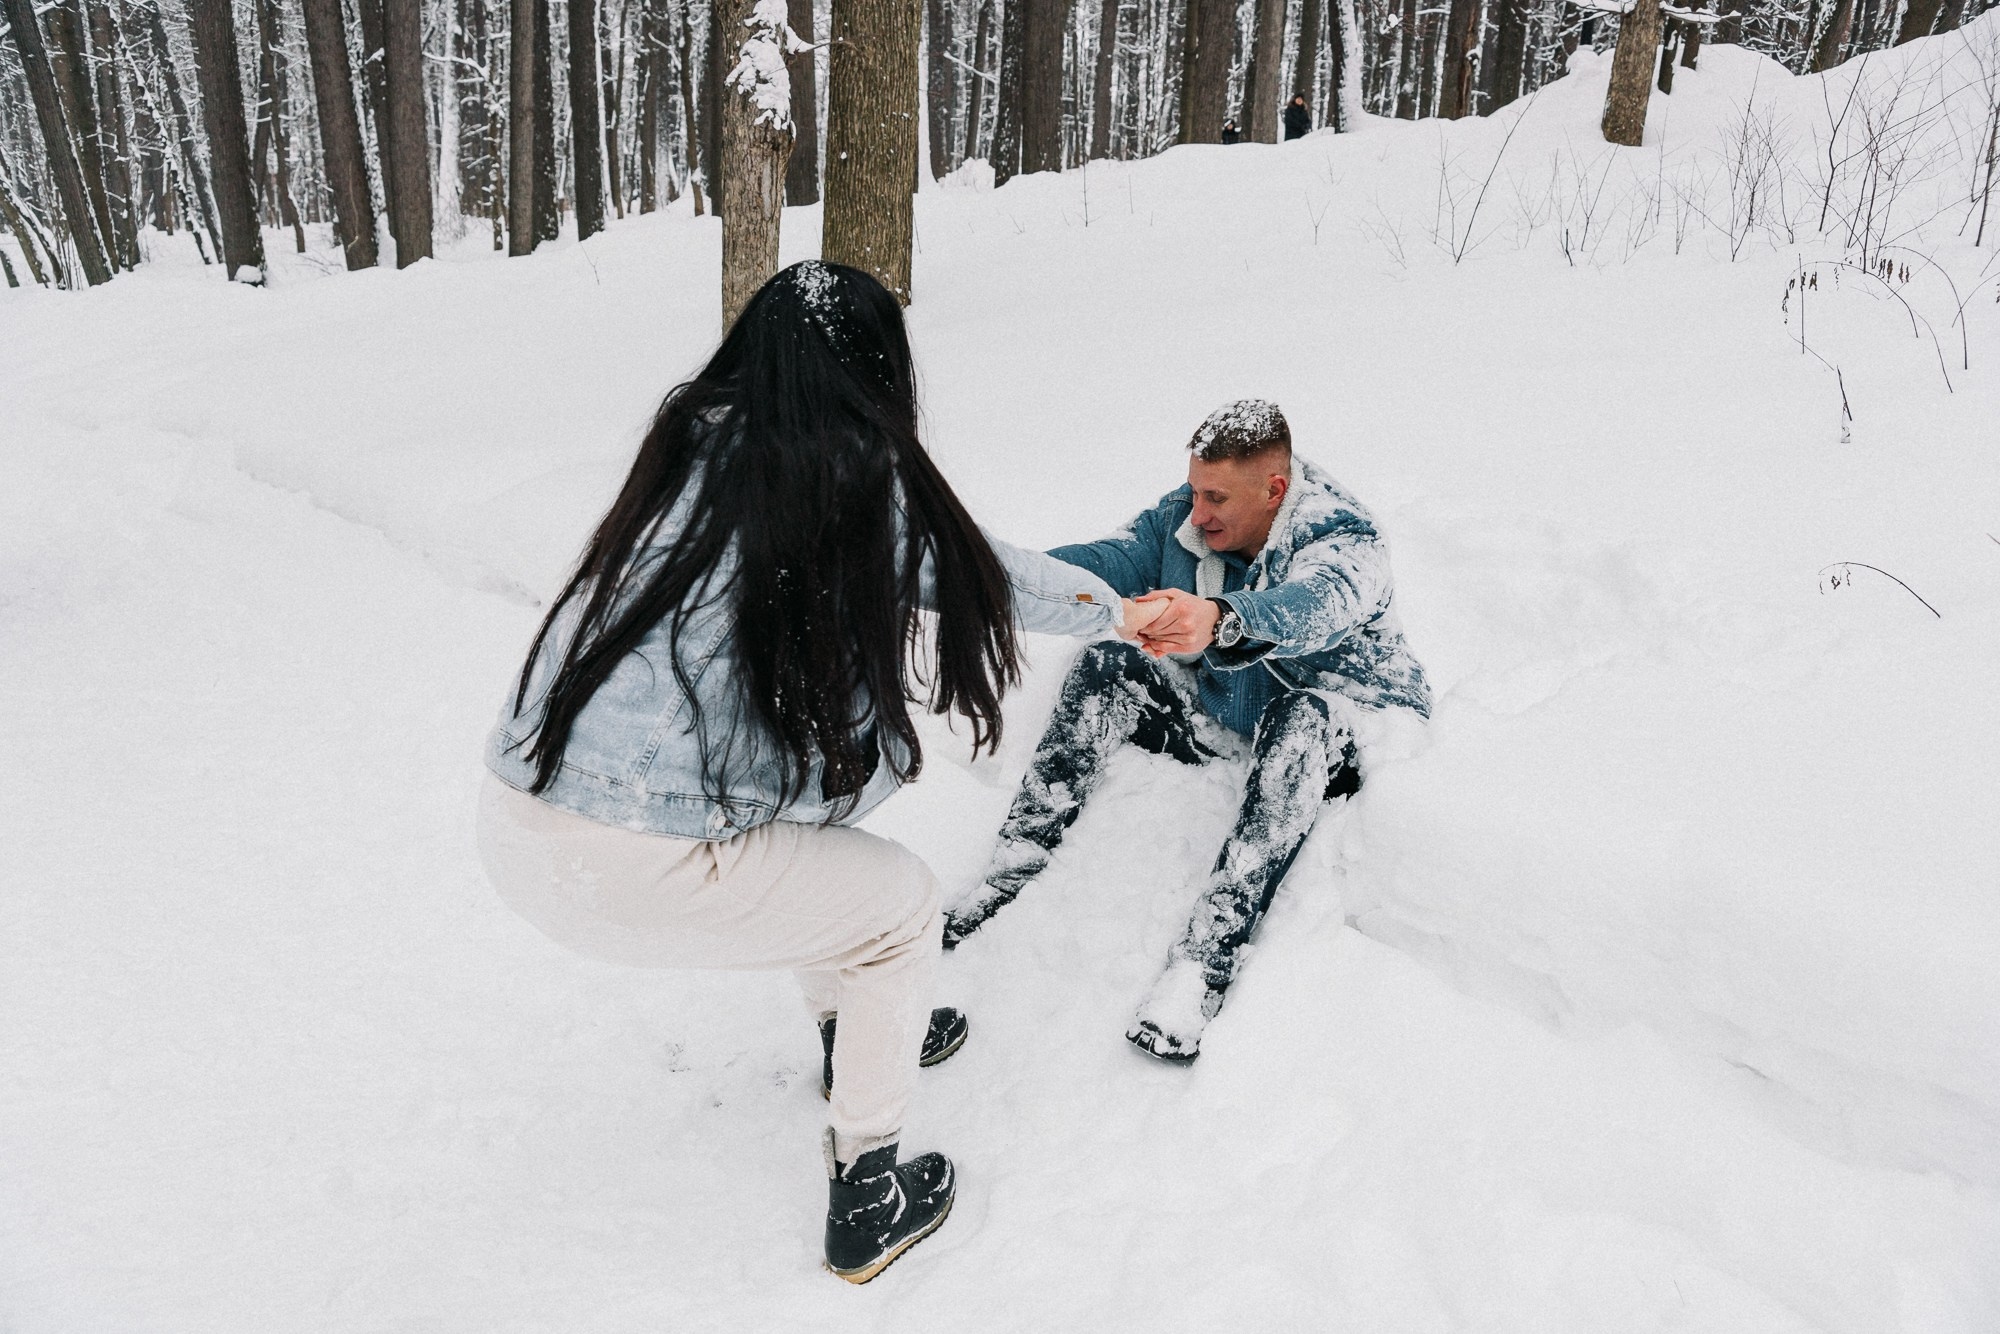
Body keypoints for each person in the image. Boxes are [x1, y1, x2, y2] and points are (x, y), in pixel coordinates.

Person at [476, 261, 1155, 1283]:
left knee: (821, 863)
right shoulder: (842, 478)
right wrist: (1121, 611)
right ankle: (867, 1198)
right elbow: (985, 572)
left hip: (517, 823)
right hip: (633, 855)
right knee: (898, 913)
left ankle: (854, 1042)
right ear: (874, 369)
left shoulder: (687, 453)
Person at [942, 401, 1430, 1063]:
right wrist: (983, 579)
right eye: (1195, 490)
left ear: (1274, 490)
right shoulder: (1187, 516)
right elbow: (1109, 561)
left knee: (1303, 722)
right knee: (1110, 660)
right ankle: (1010, 868)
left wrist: (1221, 618)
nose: (1196, 513)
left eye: (1216, 497)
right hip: (1230, 711)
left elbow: (1316, 604)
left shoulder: (1343, 536)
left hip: (1336, 736)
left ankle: (1204, 963)